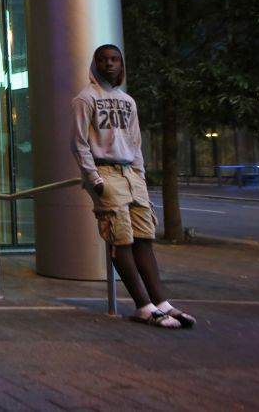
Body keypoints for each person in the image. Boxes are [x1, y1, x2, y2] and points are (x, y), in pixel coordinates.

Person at [71, 44, 197, 329]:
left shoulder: (128, 101)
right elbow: (78, 143)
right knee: (121, 239)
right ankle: (143, 307)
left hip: (131, 174)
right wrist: (94, 178)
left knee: (143, 237)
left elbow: (135, 142)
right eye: (103, 60)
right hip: (106, 172)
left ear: (121, 63)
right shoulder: (85, 98)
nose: (109, 64)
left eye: (114, 59)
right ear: (94, 64)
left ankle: (161, 303)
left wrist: (140, 175)